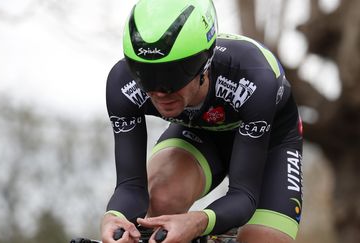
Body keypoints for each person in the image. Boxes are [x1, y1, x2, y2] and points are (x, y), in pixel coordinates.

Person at [101, 0, 303, 242]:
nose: (159, 92)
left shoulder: (253, 77)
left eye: (172, 75)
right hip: (200, 135)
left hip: (273, 142)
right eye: (144, 75)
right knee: (162, 196)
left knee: (264, 239)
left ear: (204, 63)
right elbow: (130, 187)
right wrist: (115, 217)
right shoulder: (122, 84)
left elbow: (244, 195)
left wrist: (198, 223)